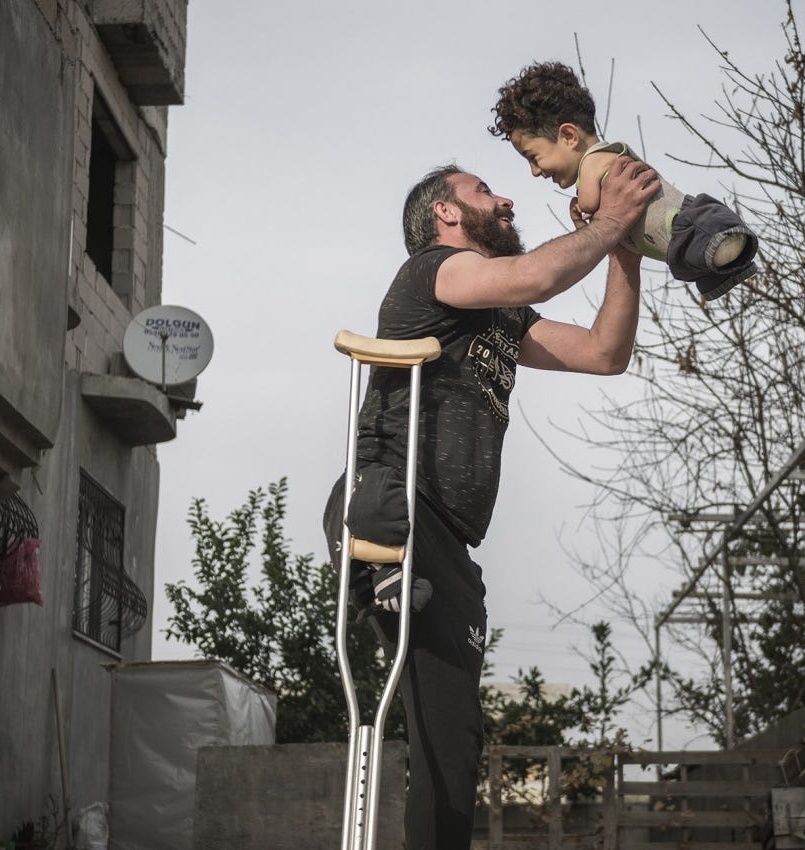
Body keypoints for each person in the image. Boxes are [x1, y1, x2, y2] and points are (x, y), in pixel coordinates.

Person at [322, 158, 659, 850]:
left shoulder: (502, 312)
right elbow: (538, 272)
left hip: (450, 543)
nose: (504, 198)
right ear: (445, 213)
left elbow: (603, 352)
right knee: (441, 738)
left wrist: (623, 250)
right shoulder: (434, 270)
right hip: (394, 503)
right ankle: (382, 574)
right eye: (483, 191)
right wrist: (613, 219)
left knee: (454, 743)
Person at [490, 60, 759, 301]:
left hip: (683, 223)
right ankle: (727, 260)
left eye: (533, 156)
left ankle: (725, 243)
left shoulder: (596, 160)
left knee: (700, 237)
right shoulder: (607, 161)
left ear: (569, 136)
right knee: (704, 260)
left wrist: (581, 212)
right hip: (676, 241)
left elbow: (590, 203)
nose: (535, 171)